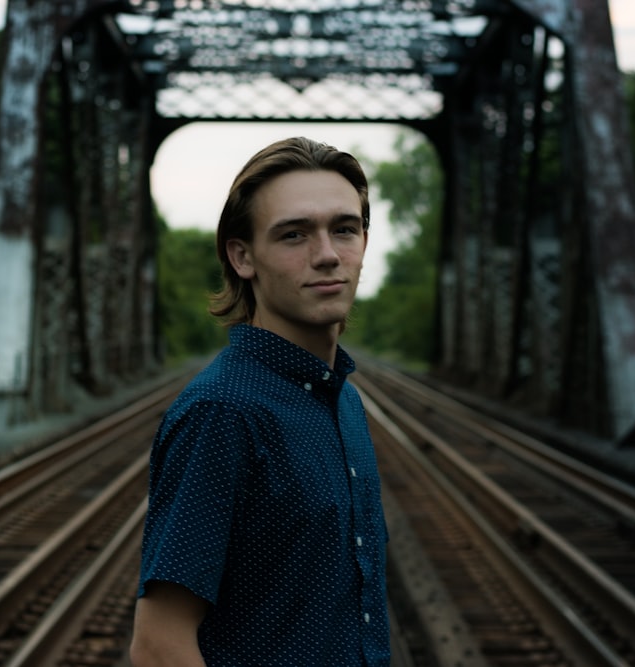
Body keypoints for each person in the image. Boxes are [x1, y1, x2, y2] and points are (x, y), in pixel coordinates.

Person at [130, 137, 390, 666]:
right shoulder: (223, 411)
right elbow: (158, 646)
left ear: (364, 240)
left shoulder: (343, 402)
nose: (326, 255)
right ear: (242, 256)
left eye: (344, 229)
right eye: (294, 235)